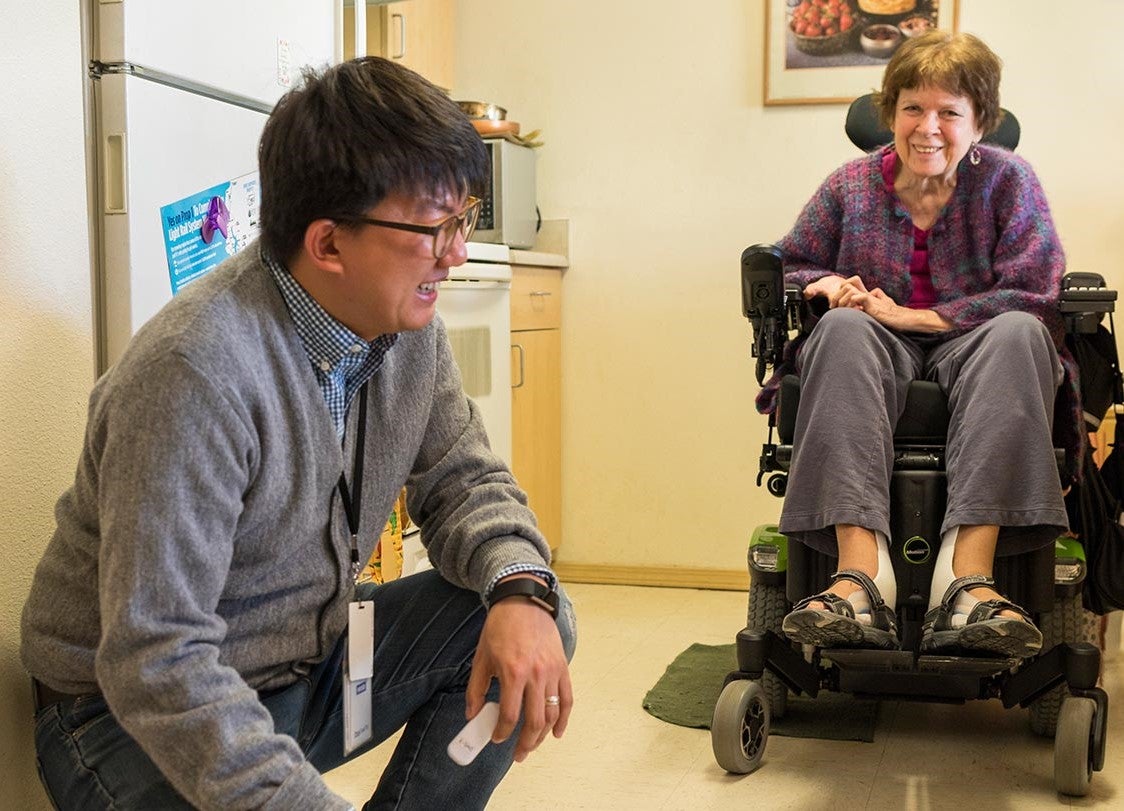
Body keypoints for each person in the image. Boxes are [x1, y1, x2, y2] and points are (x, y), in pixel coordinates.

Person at [21, 56, 576, 810]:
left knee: (529, 612)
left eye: (463, 218)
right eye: (432, 228)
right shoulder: (196, 370)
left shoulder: (406, 330)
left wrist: (519, 586)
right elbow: (158, 656)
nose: (454, 253)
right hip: (125, 718)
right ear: (328, 245)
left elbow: (465, 480)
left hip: (300, 669)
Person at [759, 31, 1072, 658]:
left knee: (1019, 333)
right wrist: (823, 283)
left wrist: (920, 318)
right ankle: (858, 579)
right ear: (890, 113)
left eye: (950, 111)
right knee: (841, 329)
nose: (928, 127)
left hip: (979, 343)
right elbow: (787, 263)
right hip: (874, 343)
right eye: (912, 108)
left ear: (980, 122)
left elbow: (1036, 290)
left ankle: (967, 584)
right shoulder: (850, 185)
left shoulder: (1010, 182)